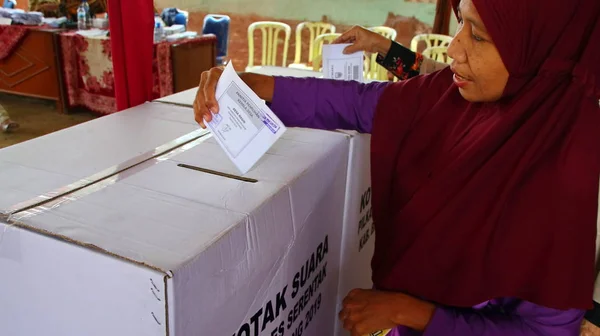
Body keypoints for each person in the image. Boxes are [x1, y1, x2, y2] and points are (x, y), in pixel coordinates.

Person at [194, 0, 600, 335]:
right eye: (462, 24)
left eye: (478, 35)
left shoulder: (560, 181)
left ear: (537, 49)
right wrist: (262, 86)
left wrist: (413, 313)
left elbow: (544, 332)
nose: (454, 50)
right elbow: (362, 102)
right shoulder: (453, 98)